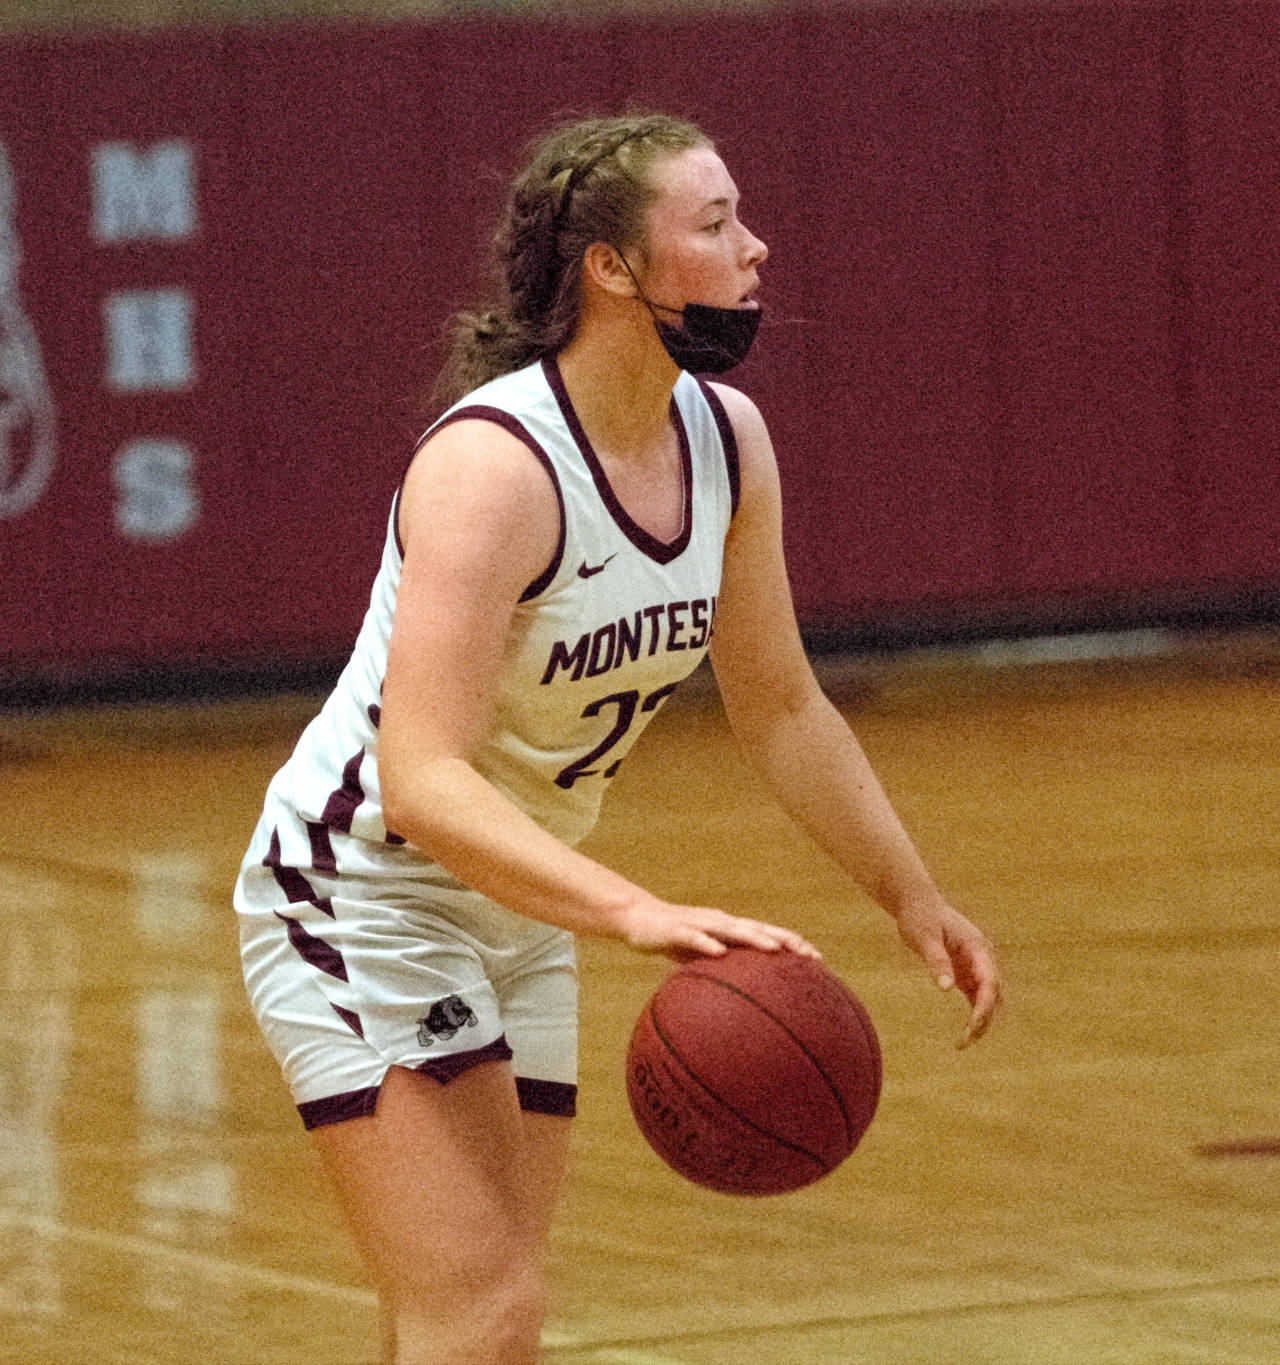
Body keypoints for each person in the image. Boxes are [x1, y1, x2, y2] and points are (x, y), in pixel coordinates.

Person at [233, 112, 1001, 1365]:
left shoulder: (725, 441)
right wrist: (633, 912)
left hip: (521, 905)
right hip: (361, 893)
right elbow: (420, 780)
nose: (754, 248)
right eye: (712, 224)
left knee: (466, 1313)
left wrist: (910, 897)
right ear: (611, 269)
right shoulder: (494, 467)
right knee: (482, 1311)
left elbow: (782, 705)